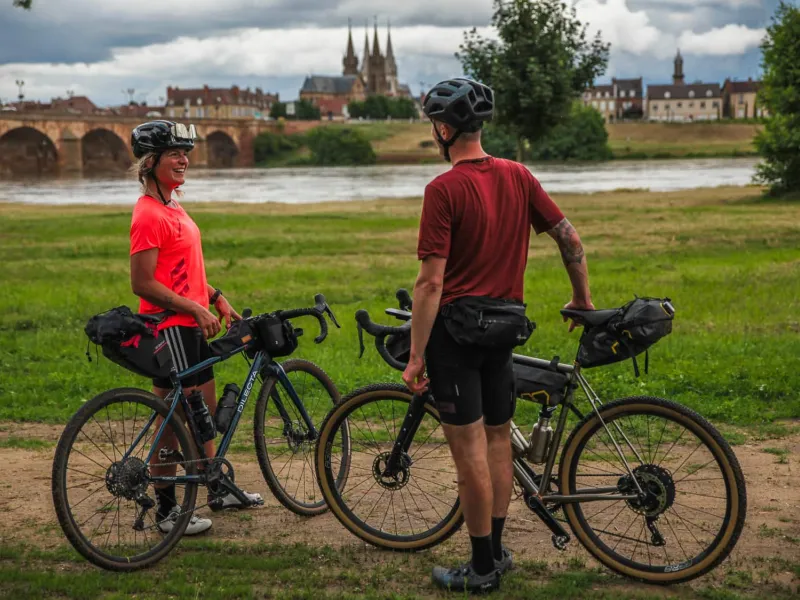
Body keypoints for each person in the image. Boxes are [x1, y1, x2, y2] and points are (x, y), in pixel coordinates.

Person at [401, 79, 594, 593]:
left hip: (457, 335)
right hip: (504, 329)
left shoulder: (443, 190)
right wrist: (581, 299)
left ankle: (482, 567)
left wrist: (417, 354)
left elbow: (430, 283)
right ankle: (498, 550)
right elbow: (570, 239)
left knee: (469, 455)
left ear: (443, 129)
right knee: (498, 442)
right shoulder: (518, 175)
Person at [128, 120, 263, 535]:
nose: (183, 160)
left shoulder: (173, 205)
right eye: (174, 154)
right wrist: (193, 307)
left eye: (185, 154)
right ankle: (167, 512)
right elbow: (144, 282)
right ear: (151, 162)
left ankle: (216, 486)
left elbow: (180, 269)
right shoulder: (149, 213)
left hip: (190, 323)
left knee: (200, 413)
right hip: (170, 327)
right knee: (174, 422)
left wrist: (215, 296)